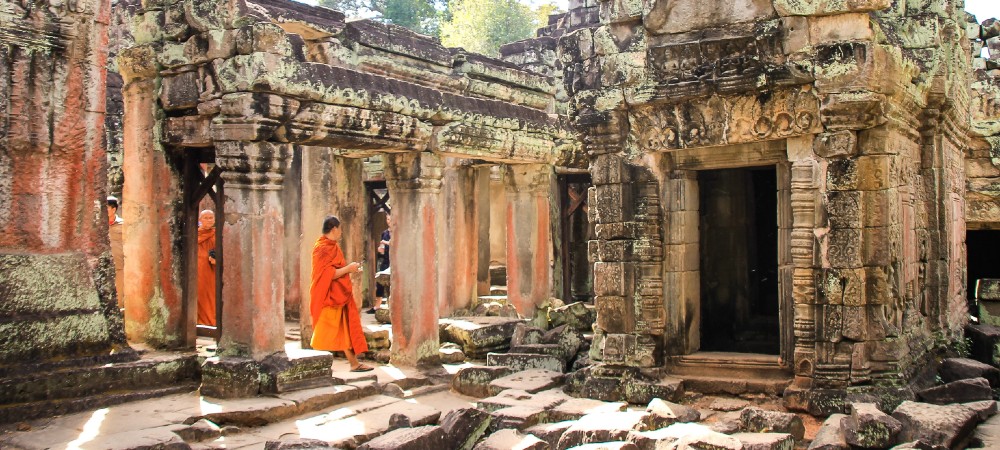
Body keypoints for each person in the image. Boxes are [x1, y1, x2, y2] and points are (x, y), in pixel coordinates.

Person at [311, 215, 373, 372]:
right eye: (340, 229)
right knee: (322, 333)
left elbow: (336, 270)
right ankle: (312, 366)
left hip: (339, 296)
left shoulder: (333, 246)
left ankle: (354, 363)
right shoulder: (322, 248)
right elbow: (328, 275)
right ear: (334, 229)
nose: (341, 232)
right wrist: (348, 269)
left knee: (342, 330)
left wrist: (349, 270)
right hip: (328, 296)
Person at [197, 210, 217, 326]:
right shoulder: (196, 234)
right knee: (199, 294)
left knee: (211, 295)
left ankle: (210, 321)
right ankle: (198, 321)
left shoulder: (217, 233)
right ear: (200, 220)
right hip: (198, 269)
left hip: (211, 269)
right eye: (206, 218)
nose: (209, 220)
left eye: (211, 218)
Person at [369, 212, 391, 313]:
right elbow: (383, 248)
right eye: (387, 219)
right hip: (386, 259)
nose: (388, 222)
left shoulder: (398, 232)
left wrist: (386, 243)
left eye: (390, 220)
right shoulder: (385, 233)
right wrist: (381, 249)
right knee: (380, 281)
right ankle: (377, 306)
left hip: (396, 261)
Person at [107, 196, 125, 308]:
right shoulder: (99, 225)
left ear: (113, 209)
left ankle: (119, 306)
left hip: (118, 265)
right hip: (105, 262)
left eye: (107, 208)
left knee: (119, 287)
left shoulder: (123, 224)